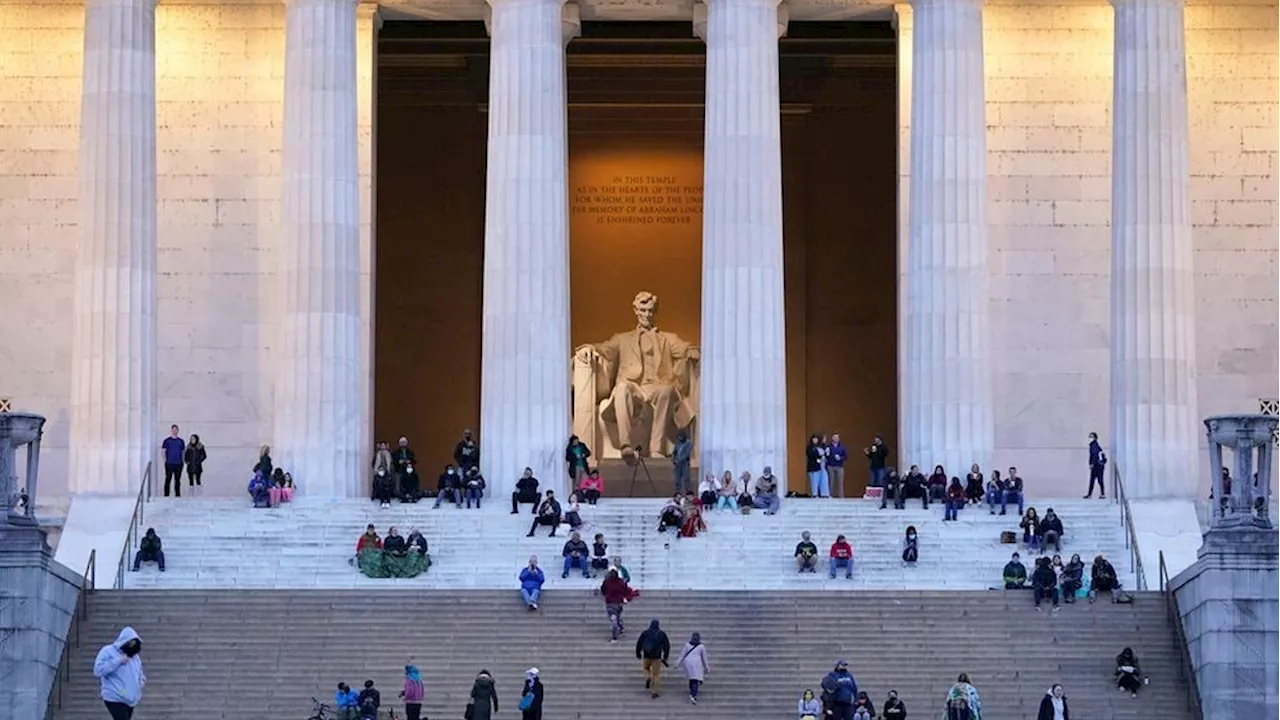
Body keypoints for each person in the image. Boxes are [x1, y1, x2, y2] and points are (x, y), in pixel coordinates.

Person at [93, 626, 145, 720]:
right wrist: (118, 661)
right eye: (130, 643)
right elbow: (98, 669)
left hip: (129, 696)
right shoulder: (108, 651)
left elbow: (140, 671)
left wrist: (141, 680)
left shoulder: (135, 657)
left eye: (134, 643)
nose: (132, 646)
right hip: (115, 695)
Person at [636, 618, 671, 698]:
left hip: (646, 656)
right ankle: (655, 692)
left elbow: (639, 643)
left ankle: (648, 677)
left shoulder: (645, 633)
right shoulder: (661, 634)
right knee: (656, 675)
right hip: (657, 657)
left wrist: (638, 653)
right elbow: (667, 646)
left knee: (645, 668)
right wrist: (665, 656)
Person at [601, 568, 635, 642]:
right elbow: (626, 590)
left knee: (613, 619)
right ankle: (621, 628)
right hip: (619, 603)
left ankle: (615, 637)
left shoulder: (607, 581)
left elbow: (603, 590)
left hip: (610, 603)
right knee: (617, 616)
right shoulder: (621, 582)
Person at [674, 631, 709, 705]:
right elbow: (704, 658)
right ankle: (693, 695)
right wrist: (706, 667)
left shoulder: (687, 645)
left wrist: (677, 664)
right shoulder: (701, 646)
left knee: (691, 678)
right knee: (695, 680)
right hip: (697, 663)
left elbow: (682, 654)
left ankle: (691, 693)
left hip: (687, 663)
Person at [161, 424, 185, 497]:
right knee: (168, 479)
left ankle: (177, 495)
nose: (174, 431)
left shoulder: (181, 441)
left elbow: (183, 451)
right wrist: (165, 460)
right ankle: (166, 495)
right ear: (171, 430)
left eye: (176, 430)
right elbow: (163, 451)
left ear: (178, 431)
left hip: (178, 463)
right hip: (169, 463)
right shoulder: (166, 441)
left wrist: (182, 461)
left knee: (177, 480)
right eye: (173, 429)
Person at [1084, 431, 1106, 499]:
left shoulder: (1094, 445)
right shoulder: (1095, 445)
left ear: (1095, 438)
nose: (1090, 438)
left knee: (1097, 480)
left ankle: (1094, 494)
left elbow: (1094, 455)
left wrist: (1092, 464)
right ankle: (1099, 494)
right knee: (1096, 480)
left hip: (1097, 465)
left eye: (1091, 436)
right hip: (1099, 465)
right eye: (1089, 436)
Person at [672, 430, 693, 495]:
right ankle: (677, 491)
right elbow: (674, 452)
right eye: (678, 437)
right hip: (677, 464)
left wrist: (679, 460)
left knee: (686, 478)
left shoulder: (688, 444)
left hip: (685, 463)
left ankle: (688, 491)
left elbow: (686, 454)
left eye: (680, 437)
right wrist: (673, 459)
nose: (679, 439)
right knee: (677, 478)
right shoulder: (677, 443)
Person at [827, 433, 848, 498]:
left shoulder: (842, 447)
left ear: (839, 439)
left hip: (840, 466)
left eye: (837, 437)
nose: (836, 439)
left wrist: (840, 458)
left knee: (840, 482)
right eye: (834, 437)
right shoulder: (828, 446)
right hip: (831, 466)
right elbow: (826, 456)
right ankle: (830, 495)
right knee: (831, 481)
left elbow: (846, 456)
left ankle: (841, 496)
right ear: (832, 438)